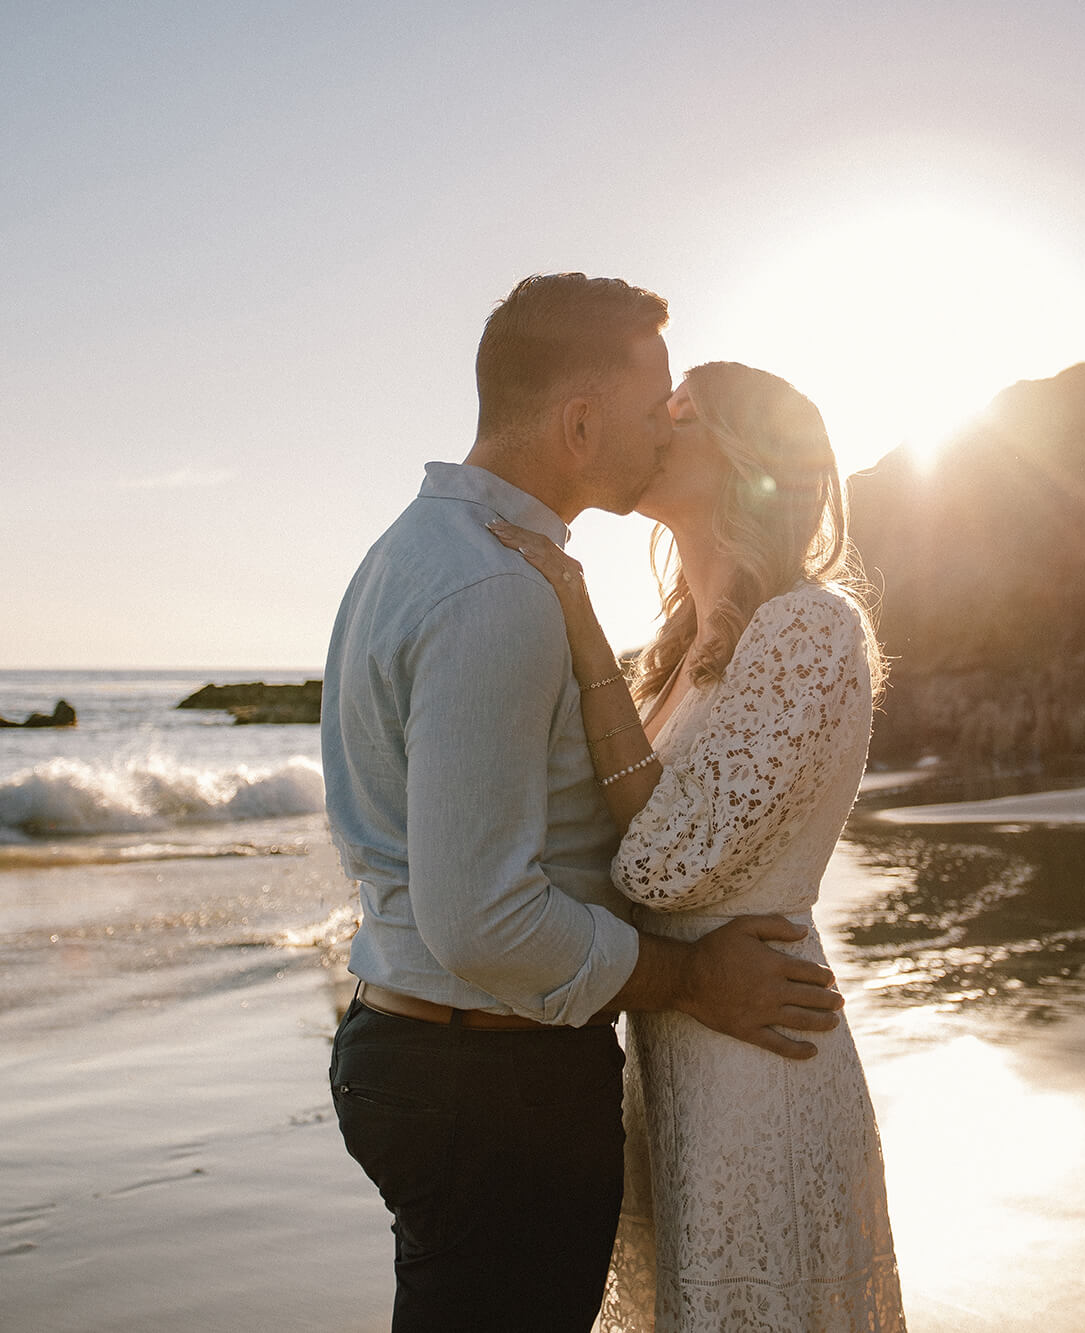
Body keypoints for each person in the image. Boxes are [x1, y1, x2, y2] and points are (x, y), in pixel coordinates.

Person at [322, 275, 847, 1333]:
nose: (664, 427)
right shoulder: (495, 591)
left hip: (441, 1055)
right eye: (660, 405)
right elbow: (483, 919)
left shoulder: (419, 552)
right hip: (487, 1082)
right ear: (577, 422)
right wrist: (691, 976)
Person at [490, 361, 905, 1330]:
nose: (646, 426)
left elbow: (656, 867)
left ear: (737, 455)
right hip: (674, 1056)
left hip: (760, 1064)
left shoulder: (806, 627)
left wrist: (581, 642)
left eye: (672, 415)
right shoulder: (677, 653)